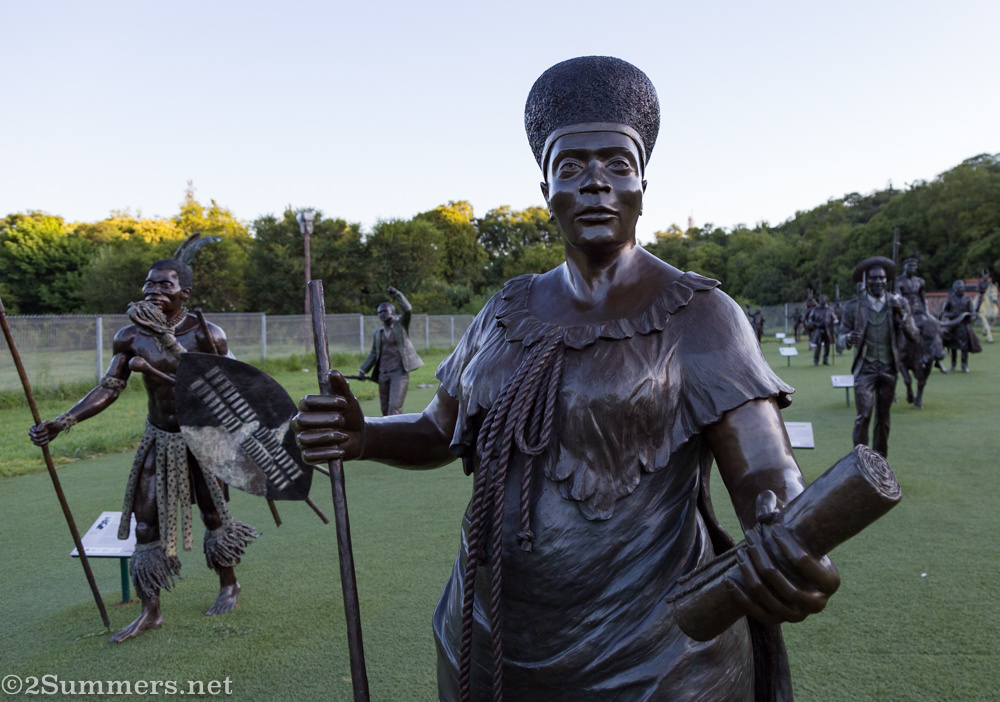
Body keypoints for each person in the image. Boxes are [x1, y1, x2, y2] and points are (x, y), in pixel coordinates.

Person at [295, 57, 840, 701]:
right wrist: (363, 437)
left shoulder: (700, 315)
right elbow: (440, 430)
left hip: (655, 651)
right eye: (571, 166)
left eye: (617, 164)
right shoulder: (505, 309)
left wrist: (782, 531)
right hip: (485, 635)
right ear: (545, 188)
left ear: (643, 184)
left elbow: (763, 473)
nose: (595, 184)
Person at [29, 255, 257, 642]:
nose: (153, 291)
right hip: (160, 438)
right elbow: (108, 388)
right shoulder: (130, 336)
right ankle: (150, 610)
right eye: (148, 284)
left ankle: (229, 583)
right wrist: (63, 421)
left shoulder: (207, 334)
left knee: (215, 513)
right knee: (146, 521)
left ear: (184, 293)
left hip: (203, 438)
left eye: (164, 285)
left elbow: (230, 387)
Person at [838, 258, 918, 458]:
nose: (878, 282)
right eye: (873, 278)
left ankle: (880, 462)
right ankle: (860, 461)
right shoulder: (853, 306)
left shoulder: (898, 304)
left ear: (887, 280)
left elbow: (914, 336)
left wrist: (903, 317)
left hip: (889, 368)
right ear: (866, 281)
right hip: (865, 368)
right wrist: (848, 338)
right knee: (864, 416)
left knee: (883, 419)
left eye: (882, 278)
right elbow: (839, 339)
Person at [359, 286, 424, 415]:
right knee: (384, 410)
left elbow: (408, 309)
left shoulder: (401, 326)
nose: (381, 314)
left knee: (394, 408)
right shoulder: (378, 332)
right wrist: (363, 369)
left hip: (399, 374)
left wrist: (397, 294)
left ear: (392, 312)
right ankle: (386, 434)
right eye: (379, 312)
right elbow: (373, 353)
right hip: (383, 374)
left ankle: (396, 435)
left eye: (384, 311)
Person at [939, 279, 981, 372]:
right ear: (954, 289)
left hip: (964, 325)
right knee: (953, 345)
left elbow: (972, 312)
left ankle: (964, 365)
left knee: (964, 346)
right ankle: (953, 364)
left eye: (962, 287)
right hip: (952, 324)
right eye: (959, 288)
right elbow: (944, 312)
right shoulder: (949, 298)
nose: (961, 289)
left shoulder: (967, 299)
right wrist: (953, 315)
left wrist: (970, 316)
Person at [805, 294, 837, 365]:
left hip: (827, 329)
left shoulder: (829, 309)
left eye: (823, 300)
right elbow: (810, 319)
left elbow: (834, 317)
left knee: (827, 345)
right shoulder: (815, 309)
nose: (822, 301)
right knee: (818, 346)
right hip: (818, 329)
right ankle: (816, 360)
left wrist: (835, 321)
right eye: (821, 300)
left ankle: (825, 360)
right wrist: (814, 324)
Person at [974, 274, 997, 344]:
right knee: (978, 300)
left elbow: (992, 289)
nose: (986, 278)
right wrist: (981, 290)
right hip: (982, 295)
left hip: (989, 295)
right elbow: (977, 289)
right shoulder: (980, 283)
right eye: (985, 277)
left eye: (987, 277)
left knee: (995, 302)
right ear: (983, 277)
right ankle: (976, 311)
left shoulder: (990, 284)